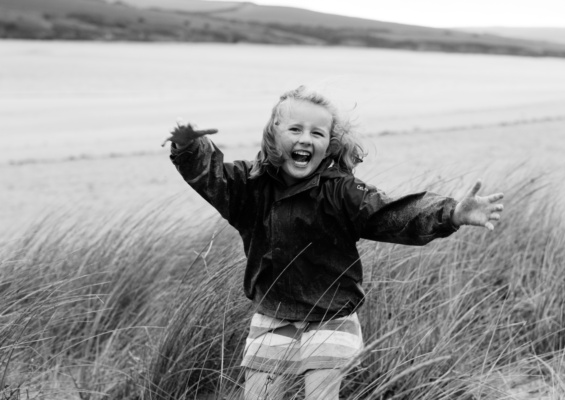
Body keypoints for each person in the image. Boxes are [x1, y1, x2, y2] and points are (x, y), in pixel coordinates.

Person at [163, 86, 504, 400]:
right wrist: (188, 147)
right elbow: (211, 176)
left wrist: (452, 214)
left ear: (330, 143)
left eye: (317, 133)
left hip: (332, 315)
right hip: (272, 312)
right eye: (295, 129)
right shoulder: (249, 186)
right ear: (273, 135)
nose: (305, 139)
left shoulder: (342, 191)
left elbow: (391, 213)